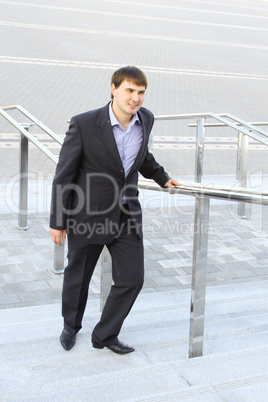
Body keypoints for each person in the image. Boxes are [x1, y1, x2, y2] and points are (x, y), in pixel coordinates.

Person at [50, 66, 180, 354]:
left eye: (141, 92)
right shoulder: (84, 124)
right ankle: (71, 326)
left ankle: (105, 334)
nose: (135, 98)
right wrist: (57, 221)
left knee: (133, 279)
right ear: (114, 88)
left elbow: (141, 154)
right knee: (78, 278)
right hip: (87, 216)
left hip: (127, 214)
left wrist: (161, 177)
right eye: (130, 91)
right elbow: (64, 176)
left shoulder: (146, 119)